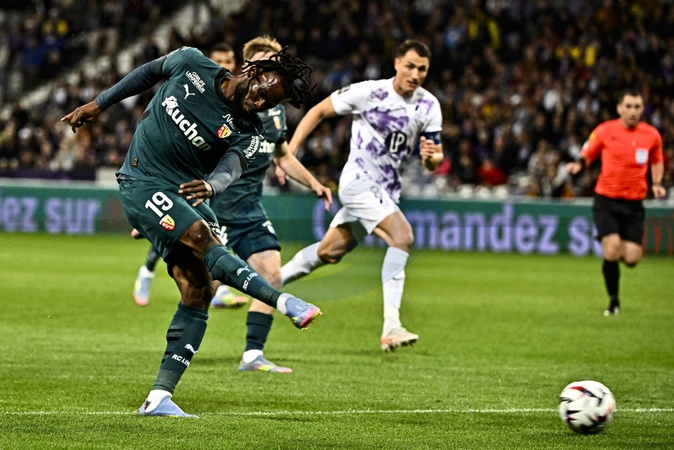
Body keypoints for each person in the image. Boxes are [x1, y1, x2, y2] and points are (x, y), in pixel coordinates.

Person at [62, 45, 321, 418]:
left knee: (199, 291)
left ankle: (158, 398)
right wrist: (99, 104)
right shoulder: (191, 63)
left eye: (269, 103)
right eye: (262, 92)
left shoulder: (250, 131)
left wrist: (213, 185)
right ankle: (283, 302)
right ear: (253, 72)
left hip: (185, 194)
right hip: (142, 180)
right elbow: (147, 72)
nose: (260, 103)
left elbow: (231, 167)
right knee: (203, 239)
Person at [134, 37, 333, 374]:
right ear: (251, 65)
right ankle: (173, 358)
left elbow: (283, 155)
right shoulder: (228, 105)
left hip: (250, 208)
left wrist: (314, 183)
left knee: (272, 274)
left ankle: (253, 354)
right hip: (216, 208)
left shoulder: (276, 112)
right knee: (202, 288)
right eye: (267, 61)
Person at [280, 39, 444, 352]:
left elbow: (434, 159)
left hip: (386, 191)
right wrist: (291, 150)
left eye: (422, 69)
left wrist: (431, 157)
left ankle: (268, 282)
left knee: (330, 252)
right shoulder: (370, 92)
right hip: (358, 182)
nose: (415, 74)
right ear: (397, 63)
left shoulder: (429, 105)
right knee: (402, 236)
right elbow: (318, 111)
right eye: (410, 66)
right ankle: (391, 326)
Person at [131, 42, 248, 309]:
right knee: (185, 227)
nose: (223, 66)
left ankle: (218, 288)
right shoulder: (196, 86)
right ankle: (147, 271)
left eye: (228, 61)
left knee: (210, 229)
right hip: (185, 172)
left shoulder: (236, 100)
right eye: (218, 60)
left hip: (216, 177)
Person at [566, 88, 665, 316]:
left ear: (642, 109)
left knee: (631, 258)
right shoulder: (605, 130)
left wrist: (657, 183)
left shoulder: (651, 135)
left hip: (634, 203)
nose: (633, 111)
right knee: (611, 250)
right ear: (619, 108)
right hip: (606, 200)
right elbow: (588, 152)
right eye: (628, 106)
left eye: (637, 106)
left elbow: (657, 160)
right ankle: (614, 302)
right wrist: (579, 165)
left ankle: (613, 249)